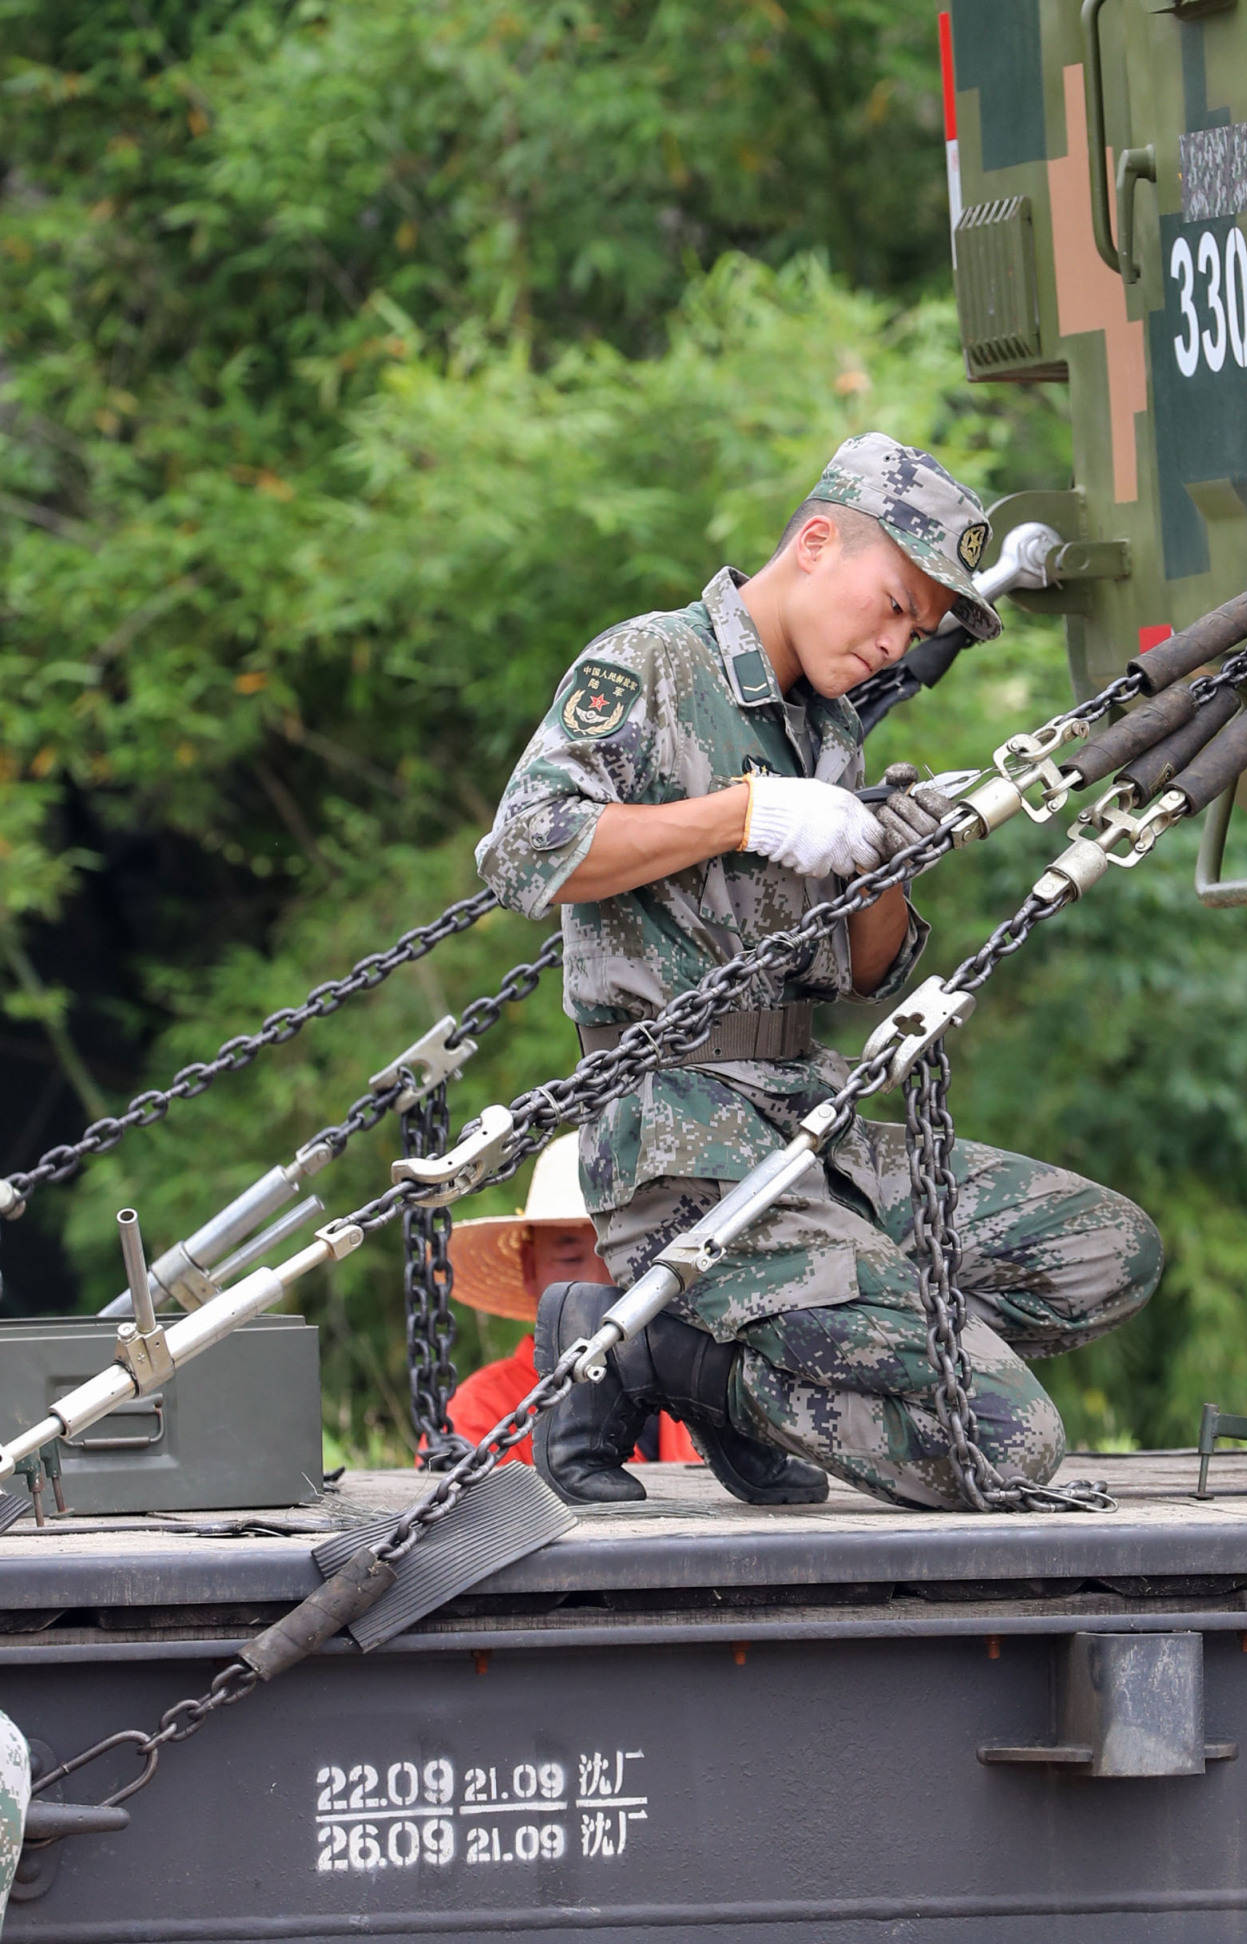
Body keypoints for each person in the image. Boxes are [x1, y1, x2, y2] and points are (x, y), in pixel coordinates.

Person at [477, 433, 1162, 1512]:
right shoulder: (654, 664)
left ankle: (741, 1361)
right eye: (891, 605)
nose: (896, 643)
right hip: (680, 1144)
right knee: (1007, 1444)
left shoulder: (831, 726)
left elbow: (864, 972)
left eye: (919, 630)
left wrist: (887, 855)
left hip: (804, 1123)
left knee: (1104, 1253)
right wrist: (741, 814)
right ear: (813, 543)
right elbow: (523, 854)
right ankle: (668, 1357)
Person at [442, 1132, 697, 1471]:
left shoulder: (699, 1393)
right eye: (569, 1258)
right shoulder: (481, 1411)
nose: (596, 1284)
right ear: (529, 1266)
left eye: (618, 1259)